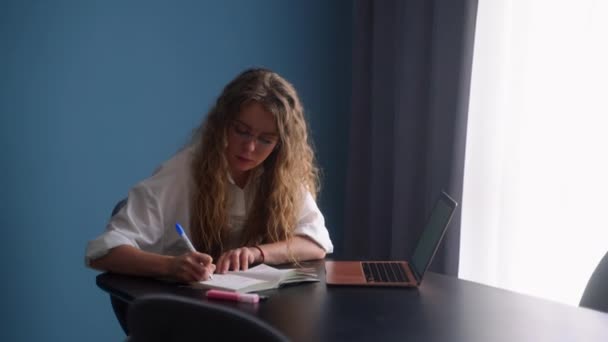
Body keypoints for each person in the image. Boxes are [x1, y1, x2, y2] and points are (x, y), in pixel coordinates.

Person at [86, 68, 333, 283]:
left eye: (265, 140)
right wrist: (170, 266)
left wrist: (255, 253)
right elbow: (103, 251)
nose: (250, 148)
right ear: (223, 123)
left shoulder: (281, 174)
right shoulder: (181, 173)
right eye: (242, 131)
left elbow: (316, 243)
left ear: (280, 145)